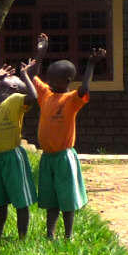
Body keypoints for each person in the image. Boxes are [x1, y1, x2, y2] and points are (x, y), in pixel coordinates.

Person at [33, 34, 105, 240]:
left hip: (64, 157)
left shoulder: (72, 99)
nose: (47, 80)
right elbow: (33, 77)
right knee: (50, 199)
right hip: (47, 157)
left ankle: (68, 235)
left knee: (66, 198)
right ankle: (50, 233)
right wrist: (40, 53)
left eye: (52, 78)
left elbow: (84, 89)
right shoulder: (46, 94)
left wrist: (90, 65)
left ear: (66, 81)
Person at [0, 58, 39, 240]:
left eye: (5, 80)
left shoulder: (15, 100)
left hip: (13, 158)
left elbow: (34, 97)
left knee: (21, 201)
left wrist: (25, 75)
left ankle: (22, 238)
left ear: (14, 88)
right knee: (0, 202)